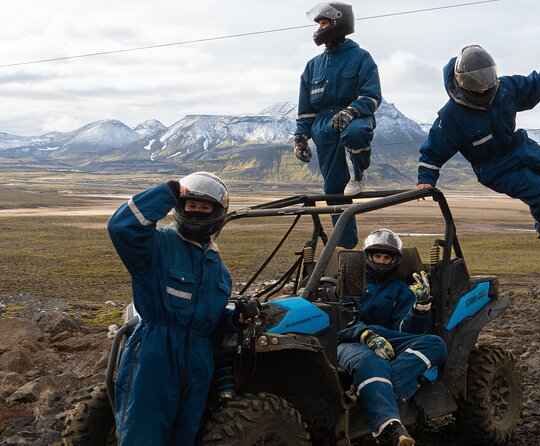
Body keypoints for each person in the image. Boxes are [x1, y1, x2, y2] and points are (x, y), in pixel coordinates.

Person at [107, 171, 258, 446]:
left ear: (218, 212)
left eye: (205, 207)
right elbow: (121, 227)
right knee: (143, 437)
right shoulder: (156, 247)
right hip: (155, 355)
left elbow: (207, 320)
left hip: (199, 361)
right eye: (191, 205)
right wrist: (167, 192)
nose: (197, 213)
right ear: (180, 206)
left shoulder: (218, 269)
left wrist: (235, 319)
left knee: (183, 438)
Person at [416, 45, 540, 258]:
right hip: (494, 167)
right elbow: (433, 152)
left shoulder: (504, 88)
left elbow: (535, 83)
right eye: (475, 82)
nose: (482, 87)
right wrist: (425, 180)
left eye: (486, 79)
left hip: (519, 146)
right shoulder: (451, 116)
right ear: (462, 80)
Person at [337, 229, 447, 446]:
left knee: (435, 343)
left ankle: (376, 388)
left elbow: (406, 331)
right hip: (351, 340)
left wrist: (421, 307)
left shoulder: (400, 289)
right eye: (377, 256)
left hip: (388, 339)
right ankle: (392, 429)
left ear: (395, 260)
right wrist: (364, 334)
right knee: (371, 361)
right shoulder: (349, 282)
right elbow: (339, 321)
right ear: (367, 257)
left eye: (387, 257)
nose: (382, 261)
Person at [294, 1, 382, 249]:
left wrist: (352, 110)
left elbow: (372, 95)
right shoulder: (313, 66)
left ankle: (358, 174)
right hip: (323, 126)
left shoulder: (361, 58)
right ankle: (345, 245)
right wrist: (301, 136)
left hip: (355, 117)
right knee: (333, 188)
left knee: (356, 133)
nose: (319, 28)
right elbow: (305, 108)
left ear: (338, 24)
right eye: (319, 23)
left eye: (323, 23)